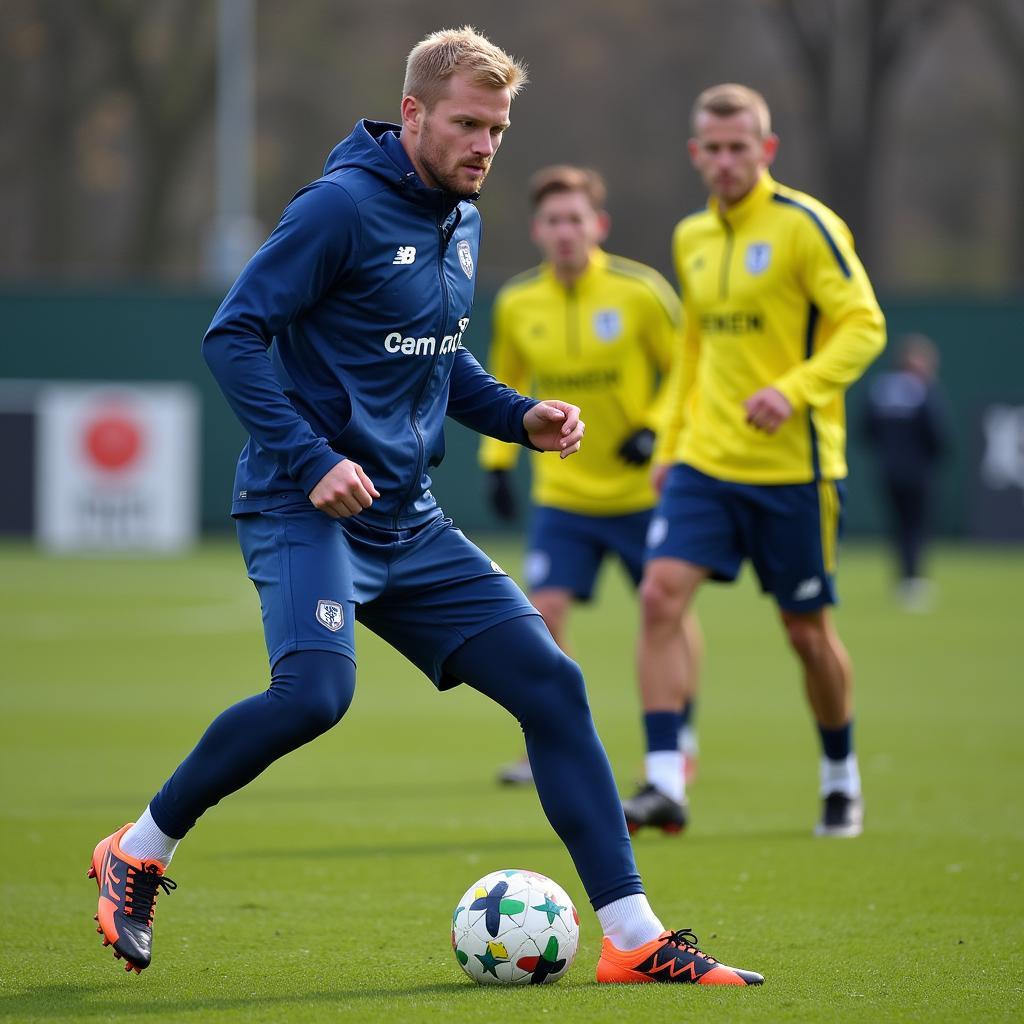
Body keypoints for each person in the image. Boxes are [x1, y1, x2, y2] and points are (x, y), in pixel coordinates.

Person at [86, 29, 762, 986]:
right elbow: (231, 335)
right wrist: (314, 458)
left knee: (553, 686)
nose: (486, 145)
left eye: (499, 129)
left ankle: (633, 936)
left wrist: (519, 417)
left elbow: (437, 359)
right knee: (314, 696)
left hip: (410, 519)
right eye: (468, 125)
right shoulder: (338, 208)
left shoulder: (462, 215)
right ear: (413, 114)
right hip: (304, 505)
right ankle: (140, 848)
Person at [632, 83, 885, 839]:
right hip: (708, 464)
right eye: (712, 148)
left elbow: (863, 324)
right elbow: (693, 351)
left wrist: (795, 390)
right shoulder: (691, 238)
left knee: (806, 633)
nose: (726, 160)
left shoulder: (808, 225)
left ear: (766, 150)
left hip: (794, 474)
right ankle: (664, 781)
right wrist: (671, 446)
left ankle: (840, 776)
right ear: (695, 155)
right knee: (658, 598)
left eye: (740, 146)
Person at [479, 165, 700, 816]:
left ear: (598, 225)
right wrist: (496, 462)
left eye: (577, 219)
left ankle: (677, 736)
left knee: (668, 612)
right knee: (541, 613)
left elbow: (686, 365)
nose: (566, 231)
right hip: (564, 493)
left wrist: (655, 429)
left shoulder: (640, 291)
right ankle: (553, 738)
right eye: (553, 221)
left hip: (642, 494)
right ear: (536, 231)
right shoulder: (519, 302)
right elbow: (503, 383)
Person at [863, 333, 949, 610]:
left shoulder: (881, 389)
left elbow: (867, 429)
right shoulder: (922, 390)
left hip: (887, 470)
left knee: (899, 526)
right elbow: (937, 435)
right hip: (917, 471)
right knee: (915, 525)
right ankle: (912, 581)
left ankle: (904, 579)